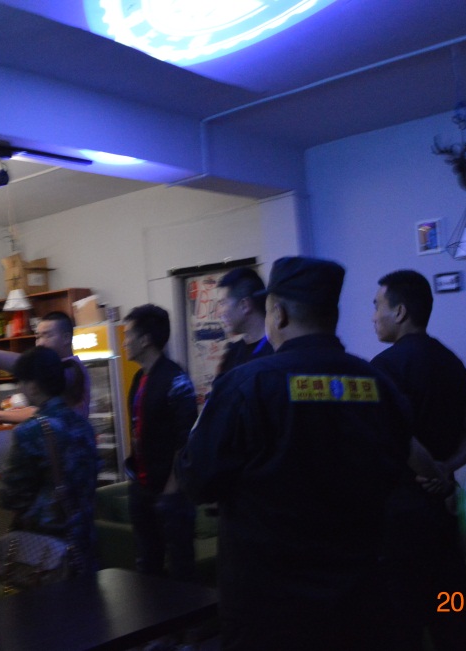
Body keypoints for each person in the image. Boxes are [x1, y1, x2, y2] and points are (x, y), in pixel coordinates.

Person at [177, 256, 413, 650]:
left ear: (279, 314)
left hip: (268, 609)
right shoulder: (379, 385)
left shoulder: (246, 386)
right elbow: (396, 472)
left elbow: (196, 478)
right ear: (331, 315)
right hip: (358, 604)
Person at [371, 269, 466, 650]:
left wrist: (429, 470)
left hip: (399, 517)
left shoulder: (384, 367)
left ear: (400, 311)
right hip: (443, 511)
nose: (373, 316)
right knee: (453, 623)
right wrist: (445, 470)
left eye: (377, 306)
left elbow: (396, 436)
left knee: (401, 626)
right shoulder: (451, 361)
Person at [0, 346, 100, 575]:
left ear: (34, 385)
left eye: (22, 382)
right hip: (84, 539)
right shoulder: (83, 425)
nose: (20, 388)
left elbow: (11, 496)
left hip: (45, 549)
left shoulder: (30, 431)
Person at [123, 304, 198, 581]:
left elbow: (186, 437)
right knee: (147, 565)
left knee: (180, 568)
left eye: (128, 335)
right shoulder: (139, 378)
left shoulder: (175, 378)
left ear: (145, 340)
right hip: (142, 488)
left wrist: (171, 488)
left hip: (170, 492)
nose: (124, 341)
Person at [0, 311, 91, 422]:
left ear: (66, 338)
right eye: (38, 337)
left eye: (47, 336)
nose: (40, 343)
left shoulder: (70, 369)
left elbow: (40, 413)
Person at [214, 267, 272, 380]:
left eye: (223, 303)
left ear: (245, 305)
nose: (219, 313)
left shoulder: (277, 350)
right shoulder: (233, 353)